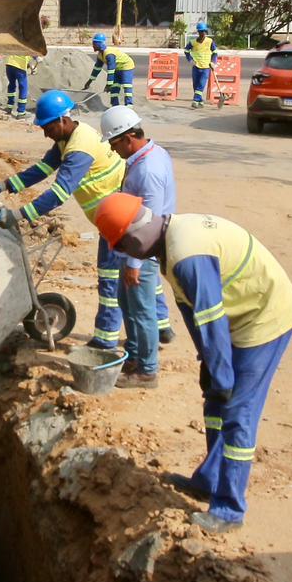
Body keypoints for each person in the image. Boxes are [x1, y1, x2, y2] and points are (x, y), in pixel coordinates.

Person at [94, 193, 292, 534]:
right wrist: (208, 362)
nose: (129, 254)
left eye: (125, 246)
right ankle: (209, 480)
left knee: (238, 410)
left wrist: (222, 374)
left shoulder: (187, 254)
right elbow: (194, 315)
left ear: (133, 235)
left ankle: (229, 509)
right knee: (215, 396)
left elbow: (211, 318)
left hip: (265, 317)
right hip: (239, 316)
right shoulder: (169, 246)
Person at [0, 90, 126, 349]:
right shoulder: (66, 139)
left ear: (62, 121)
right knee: (139, 274)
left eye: (47, 127)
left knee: (110, 277)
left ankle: (106, 341)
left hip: (118, 220)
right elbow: (42, 170)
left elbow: (59, 194)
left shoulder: (79, 148)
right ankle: (160, 328)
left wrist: (18, 215)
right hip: (112, 216)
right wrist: (3, 185)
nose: (45, 133)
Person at [99, 106, 177, 388]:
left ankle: (147, 370)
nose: (112, 149)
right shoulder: (148, 155)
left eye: (113, 143)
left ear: (128, 137)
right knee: (128, 306)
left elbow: (148, 224)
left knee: (142, 311)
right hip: (131, 248)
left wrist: (134, 264)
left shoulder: (148, 171)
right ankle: (134, 357)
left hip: (141, 252)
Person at [84, 32, 136, 107]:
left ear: (100, 44)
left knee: (126, 85)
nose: (93, 46)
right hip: (117, 68)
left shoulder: (109, 54)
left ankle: (129, 105)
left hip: (126, 66)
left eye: (94, 44)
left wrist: (108, 84)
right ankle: (115, 105)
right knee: (115, 87)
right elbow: (97, 69)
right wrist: (89, 82)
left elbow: (111, 70)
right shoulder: (100, 55)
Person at [184, 21, 218, 109]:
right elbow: (186, 51)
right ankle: (200, 101)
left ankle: (195, 100)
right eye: (200, 31)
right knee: (196, 85)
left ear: (205, 32)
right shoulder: (193, 42)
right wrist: (190, 60)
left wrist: (213, 62)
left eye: (203, 31)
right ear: (198, 32)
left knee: (201, 84)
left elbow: (215, 52)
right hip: (196, 66)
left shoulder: (210, 41)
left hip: (206, 67)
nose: (202, 33)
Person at [4, 54, 40, 119]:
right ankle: (21, 112)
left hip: (9, 65)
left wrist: (32, 68)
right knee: (23, 88)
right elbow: (32, 54)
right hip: (19, 68)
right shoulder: (30, 47)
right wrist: (37, 57)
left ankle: (9, 107)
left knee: (11, 85)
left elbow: (27, 61)